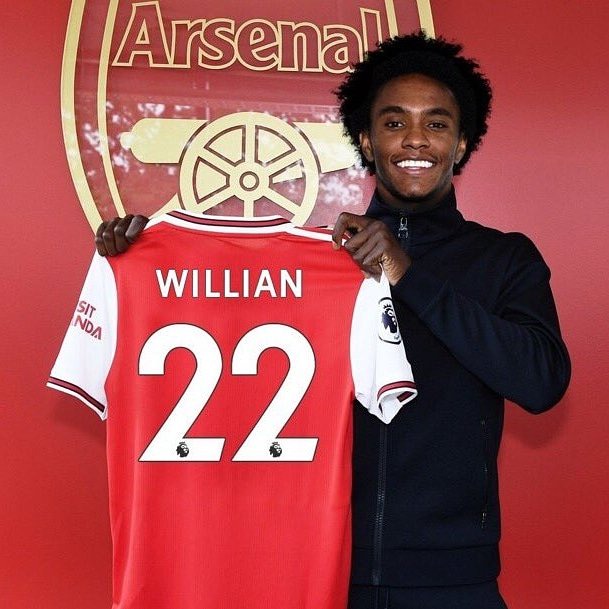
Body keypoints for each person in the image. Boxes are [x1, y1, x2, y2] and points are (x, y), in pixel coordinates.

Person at [95, 32, 570, 609]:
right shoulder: (315, 261)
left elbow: (541, 382)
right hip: (319, 569)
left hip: (452, 577)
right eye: (393, 123)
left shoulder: (505, 259)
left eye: (437, 123)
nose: (415, 138)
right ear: (366, 140)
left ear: (462, 142)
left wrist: (408, 274)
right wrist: (145, 261)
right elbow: (224, 348)